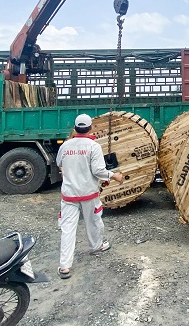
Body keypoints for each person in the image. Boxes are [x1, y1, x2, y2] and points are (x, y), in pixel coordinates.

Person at [56, 114, 123, 279]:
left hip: (69, 194)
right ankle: (96, 246)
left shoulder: (65, 146)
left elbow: (59, 163)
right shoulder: (93, 146)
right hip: (88, 193)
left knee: (67, 229)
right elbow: (98, 171)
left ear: (75, 128)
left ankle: (65, 266)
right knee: (93, 221)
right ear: (90, 127)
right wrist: (114, 176)